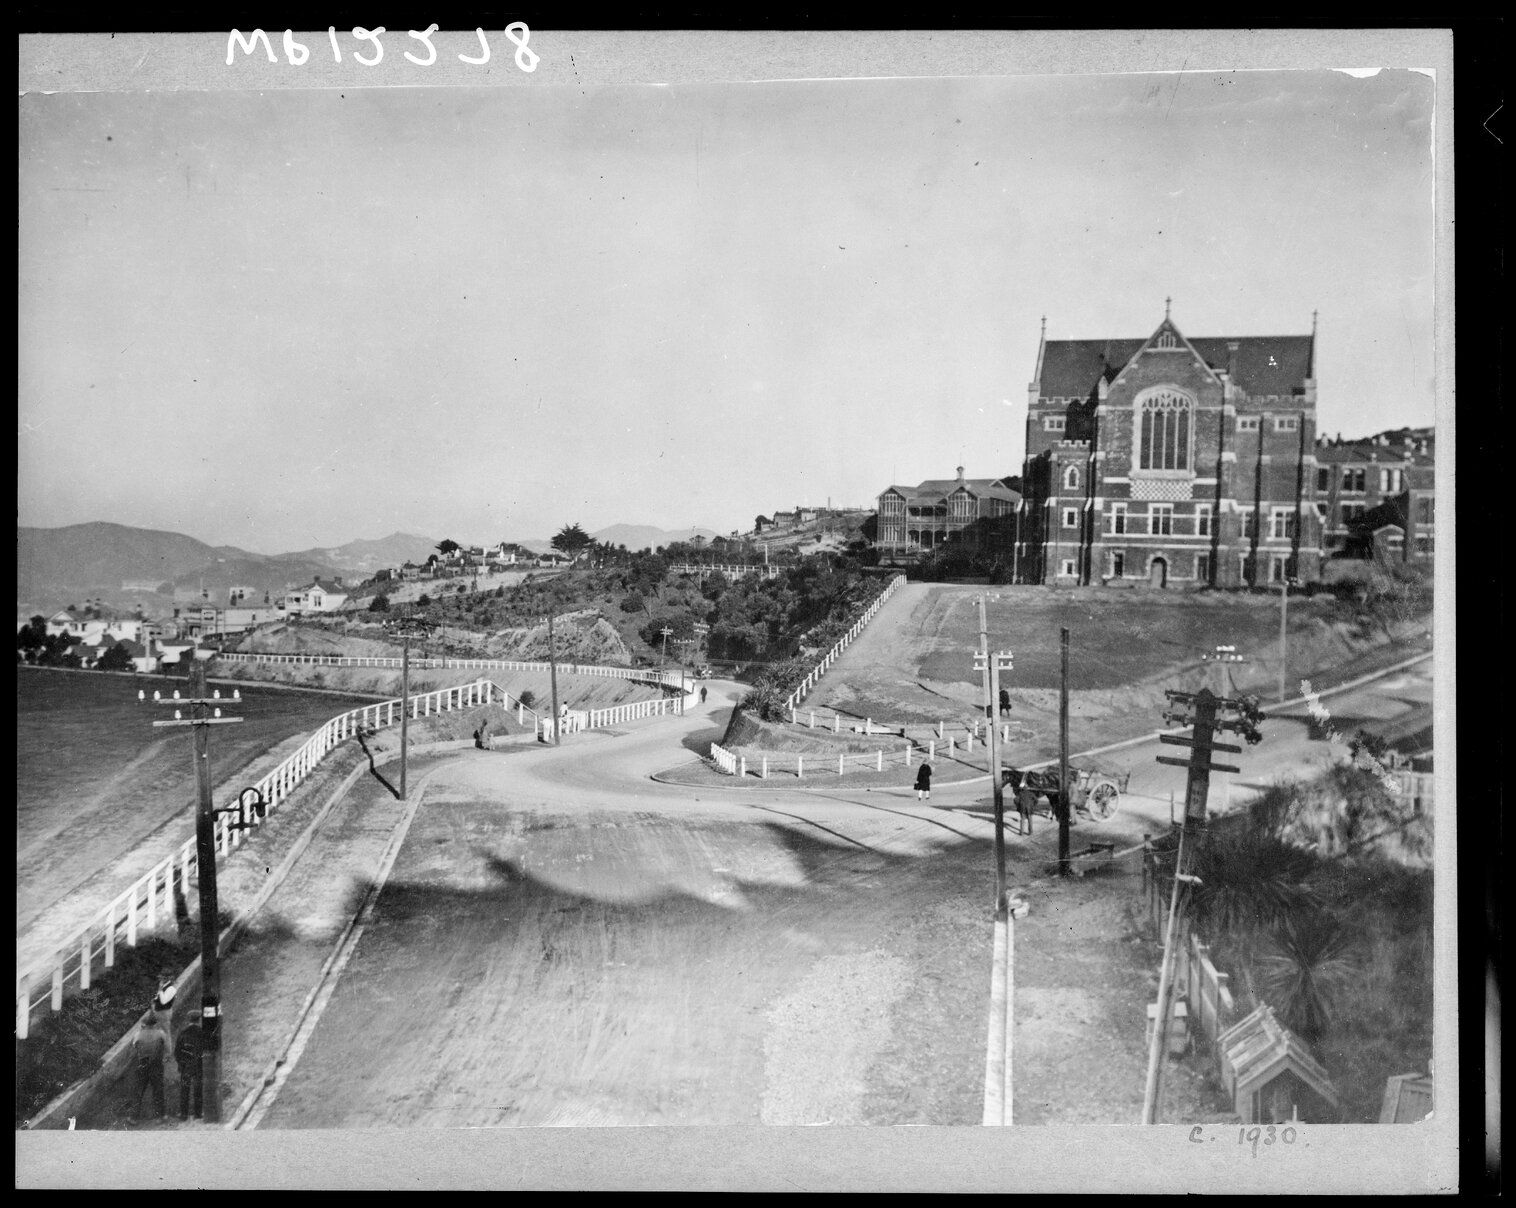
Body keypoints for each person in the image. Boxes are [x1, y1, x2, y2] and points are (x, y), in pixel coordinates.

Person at [130, 1012, 169, 1122]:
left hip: (143, 1063)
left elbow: (134, 1046)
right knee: (158, 1090)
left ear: (144, 1024)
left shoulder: (138, 1034)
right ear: (155, 1024)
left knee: (138, 1091)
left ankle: (134, 1118)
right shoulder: (161, 1033)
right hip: (156, 1064)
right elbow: (166, 1047)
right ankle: (160, 1116)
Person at [174, 1021, 204, 1121]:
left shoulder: (183, 1033)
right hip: (198, 1065)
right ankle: (198, 1114)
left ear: (189, 1020)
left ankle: (183, 1115)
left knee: (184, 1090)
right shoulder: (202, 1032)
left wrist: (181, 1063)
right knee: (198, 1089)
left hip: (185, 1066)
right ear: (198, 1019)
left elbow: (177, 1051)